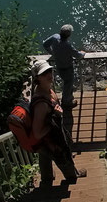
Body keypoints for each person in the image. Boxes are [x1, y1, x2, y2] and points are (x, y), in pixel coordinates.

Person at [31, 60, 87, 188]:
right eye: (44, 73)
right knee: (64, 160)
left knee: (44, 159)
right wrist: (57, 115)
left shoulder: (44, 89)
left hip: (45, 143)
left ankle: (47, 180)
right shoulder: (40, 103)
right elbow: (37, 132)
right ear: (37, 77)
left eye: (49, 71)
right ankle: (73, 176)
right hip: (52, 141)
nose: (49, 74)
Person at [43, 25, 85, 109]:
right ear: (69, 35)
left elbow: (45, 44)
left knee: (66, 84)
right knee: (68, 85)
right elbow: (78, 55)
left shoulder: (55, 37)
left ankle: (68, 98)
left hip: (59, 66)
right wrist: (83, 53)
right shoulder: (67, 45)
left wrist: (52, 53)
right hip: (67, 68)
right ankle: (66, 102)